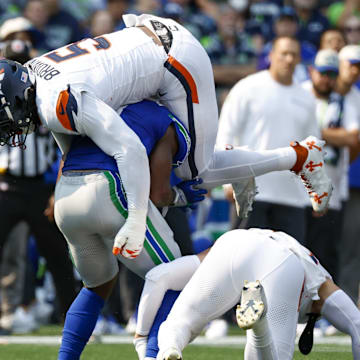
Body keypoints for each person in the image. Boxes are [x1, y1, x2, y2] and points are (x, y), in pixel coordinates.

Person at [0, 14, 332, 259]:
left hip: (174, 57)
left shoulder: (54, 100)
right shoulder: (36, 75)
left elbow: (127, 147)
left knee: (194, 169)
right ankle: (245, 167)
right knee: (179, 161)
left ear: (14, 98)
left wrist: (135, 220)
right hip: (148, 44)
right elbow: (71, 142)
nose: (6, 127)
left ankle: (301, 155)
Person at [134, 228, 360, 360]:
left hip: (232, 242)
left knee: (179, 322)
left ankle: (169, 348)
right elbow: (356, 324)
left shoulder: (246, 239)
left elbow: (158, 276)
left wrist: (141, 339)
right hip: (283, 261)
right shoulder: (321, 279)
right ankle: (258, 327)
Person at [218, 35, 321, 243]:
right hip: (250, 193)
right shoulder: (248, 87)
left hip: (292, 197)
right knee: (244, 259)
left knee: (290, 262)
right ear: (271, 55)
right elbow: (226, 132)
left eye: (294, 54)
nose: (289, 59)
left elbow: (312, 149)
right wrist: (228, 181)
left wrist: (316, 191)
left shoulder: (306, 98)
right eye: (284, 53)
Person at [302, 49, 360, 283]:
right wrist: (332, 136)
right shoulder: (301, 94)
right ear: (312, 71)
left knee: (325, 253)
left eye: (332, 74)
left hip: (331, 188)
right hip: (298, 189)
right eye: (323, 72)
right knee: (297, 250)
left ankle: (321, 315)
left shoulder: (343, 101)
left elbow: (353, 140)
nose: (327, 78)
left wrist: (314, 134)